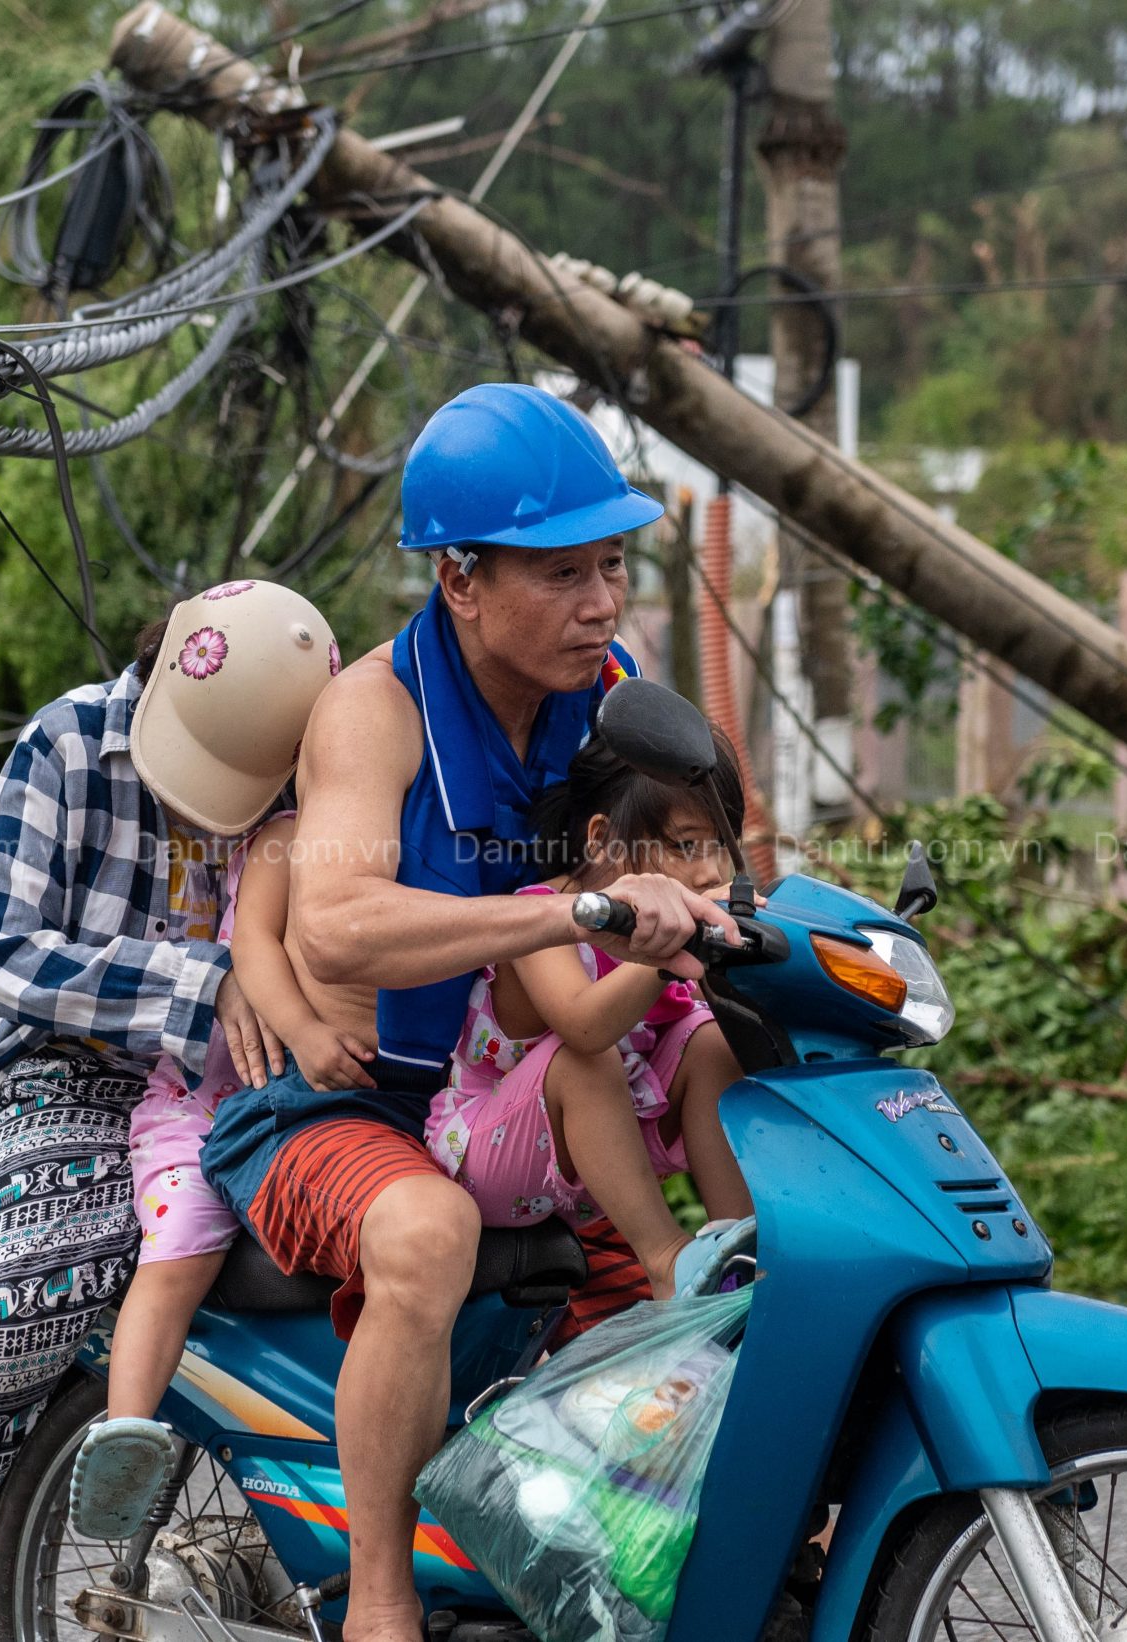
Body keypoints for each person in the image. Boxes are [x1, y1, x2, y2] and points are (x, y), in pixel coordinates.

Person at [199, 382, 741, 1642]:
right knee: (429, 1232)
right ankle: (380, 1603)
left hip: (507, 1091)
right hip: (337, 1104)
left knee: (720, 1253)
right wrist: (571, 917)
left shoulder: (603, 690)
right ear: (459, 577)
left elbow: (690, 841)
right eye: (560, 574)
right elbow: (336, 922)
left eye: (610, 565)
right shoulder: (375, 711)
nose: (599, 601)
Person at [0, 579, 338, 1642]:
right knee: (28, 1300)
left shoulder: (316, 777)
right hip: (66, 1070)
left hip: (243, 1079)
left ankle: (285, 1558)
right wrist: (202, 981)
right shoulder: (65, 744)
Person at [68, 806, 378, 1538]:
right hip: (203, 1103)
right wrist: (307, 1031)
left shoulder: (408, 831)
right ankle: (127, 1432)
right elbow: (250, 946)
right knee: (178, 1254)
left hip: (314, 1106)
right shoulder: (285, 837)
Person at [425, 730, 755, 1298]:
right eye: (686, 846)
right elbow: (584, 1024)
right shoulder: (538, 918)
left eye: (721, 847)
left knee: (711, 1043)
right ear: (602, 840)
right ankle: (666, 1259)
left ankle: (747, 1250)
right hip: (488, 1152)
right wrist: (665, 955)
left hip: (604, 1152)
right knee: (585, 1057)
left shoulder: (691, 916)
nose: (709, 873)